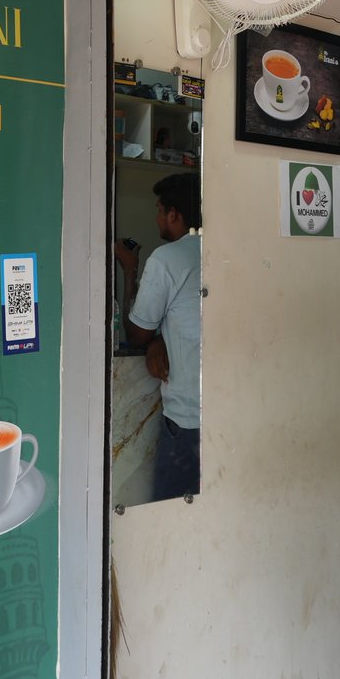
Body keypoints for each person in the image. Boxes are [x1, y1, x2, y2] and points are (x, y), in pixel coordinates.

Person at [114, 172, 201, 500]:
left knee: (173, 512)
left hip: (189, 423)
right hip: (231, 414)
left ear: (173, 215)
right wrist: (161, 338)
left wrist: (129, 269)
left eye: (159, 210)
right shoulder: (227, 251)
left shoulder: (167, 259)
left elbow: (137, 333)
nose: (157, 217)